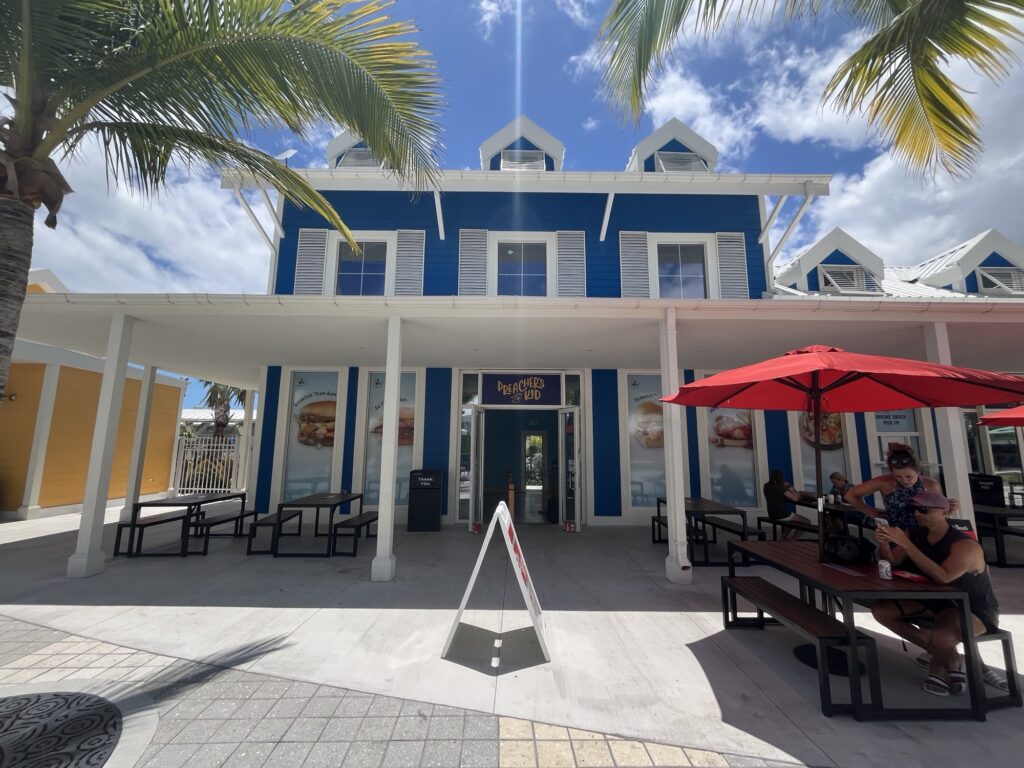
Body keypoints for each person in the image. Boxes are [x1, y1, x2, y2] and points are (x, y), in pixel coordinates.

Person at [871, 490, 1005, 696]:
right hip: (934, 602)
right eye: (913, 509)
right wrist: (883, 543)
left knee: (942, 637)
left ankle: (939, 664)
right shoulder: (915, 535)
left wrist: (906, 544)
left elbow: (944, 576)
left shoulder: (965, 545)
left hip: (972, 608)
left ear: (943, 511)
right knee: (881, 611)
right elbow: (892, 562)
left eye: (923, 509)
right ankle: (950, 658)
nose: (917, 513)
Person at [844, 444, 955, 530]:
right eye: (898, 476)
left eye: (908, 476)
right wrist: (874, 513)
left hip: (925, 535)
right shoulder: (886, 482)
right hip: (896, 534)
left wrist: (949, 510)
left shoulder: (930, 484)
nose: (904, 480)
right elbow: (850, 495)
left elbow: (938, 514)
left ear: (918, 471)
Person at [762, 470, 811, 540]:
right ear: (781, 478)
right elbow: (795, 499)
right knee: (807, 522)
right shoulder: (780, 487)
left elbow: (775, 496)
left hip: (772, 514)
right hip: (782, 514)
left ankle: (783, 539)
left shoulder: (766, 486)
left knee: (792, 522)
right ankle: (793, 539)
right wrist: (791, 487)